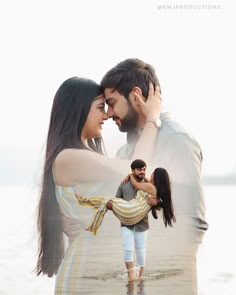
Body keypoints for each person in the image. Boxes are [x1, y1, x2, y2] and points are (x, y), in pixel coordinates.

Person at [36, 76, 162, 293]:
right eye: (100, 107)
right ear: (79, 110)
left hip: (98, 274)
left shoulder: (80, 157)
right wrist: (152, 119)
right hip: (86, 278)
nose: (106, 115)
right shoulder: (70, 158)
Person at [75, 165, 176, 281]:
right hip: (129, 216)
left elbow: (138, 185)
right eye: (140, 170)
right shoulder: (153, 191)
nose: (145, 173)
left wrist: (130, 175)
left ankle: (84, 204)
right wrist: (158, 200)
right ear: (134, 170)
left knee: (106, 200)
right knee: (129, 248)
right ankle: (134, 277)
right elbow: (121, 196)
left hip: (131, 213)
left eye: (146, 171)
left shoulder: (149, 188)